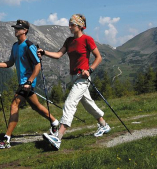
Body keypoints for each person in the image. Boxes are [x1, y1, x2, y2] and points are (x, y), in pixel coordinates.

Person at [40, 14, 110, 150]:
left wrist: (90, 70)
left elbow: (98, 57)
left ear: (79, 26)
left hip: (83, 78)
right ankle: (104, 125)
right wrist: (44, 52)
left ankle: (58, 137)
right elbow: (59, 54)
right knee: (88, 104)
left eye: (72, 24)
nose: (69, 27)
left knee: (70, 103)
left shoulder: (87, 39)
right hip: (74, 77)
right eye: (70, 24)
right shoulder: (69, 41)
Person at [0, 19, 59, 149]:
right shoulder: (15, 46)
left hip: (27, 83)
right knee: (36, 106)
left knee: (14, 104)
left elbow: (37, 65)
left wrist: (29, 81)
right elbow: (10, 63)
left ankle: (7, 140)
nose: (15, 30)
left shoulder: (29, 46)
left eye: (18, 28)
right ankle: (54, 122)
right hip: (23, 83)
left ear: (25, 30)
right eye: (15, 28)